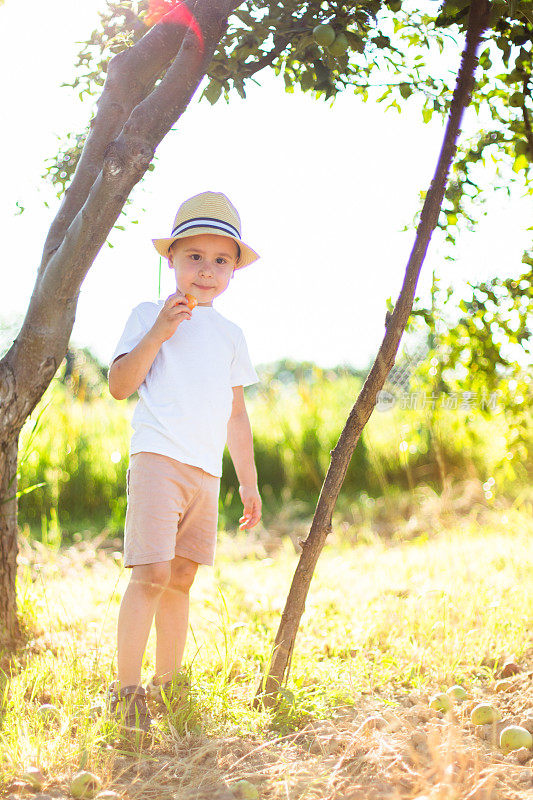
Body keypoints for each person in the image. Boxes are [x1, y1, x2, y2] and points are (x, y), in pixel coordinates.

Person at [106, 190, 262, 735]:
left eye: (221, 260)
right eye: (194, 256)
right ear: (170, 260)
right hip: (157, 459)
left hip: (206, 471)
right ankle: (125, 691)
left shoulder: (231, 336)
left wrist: (248, 482)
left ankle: (169, 683)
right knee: (149, 572)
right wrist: (160, 332)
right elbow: (120, 386)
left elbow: (236, 415)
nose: (207, 270)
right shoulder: (149, 315)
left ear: (234, 272)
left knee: (181, 578)